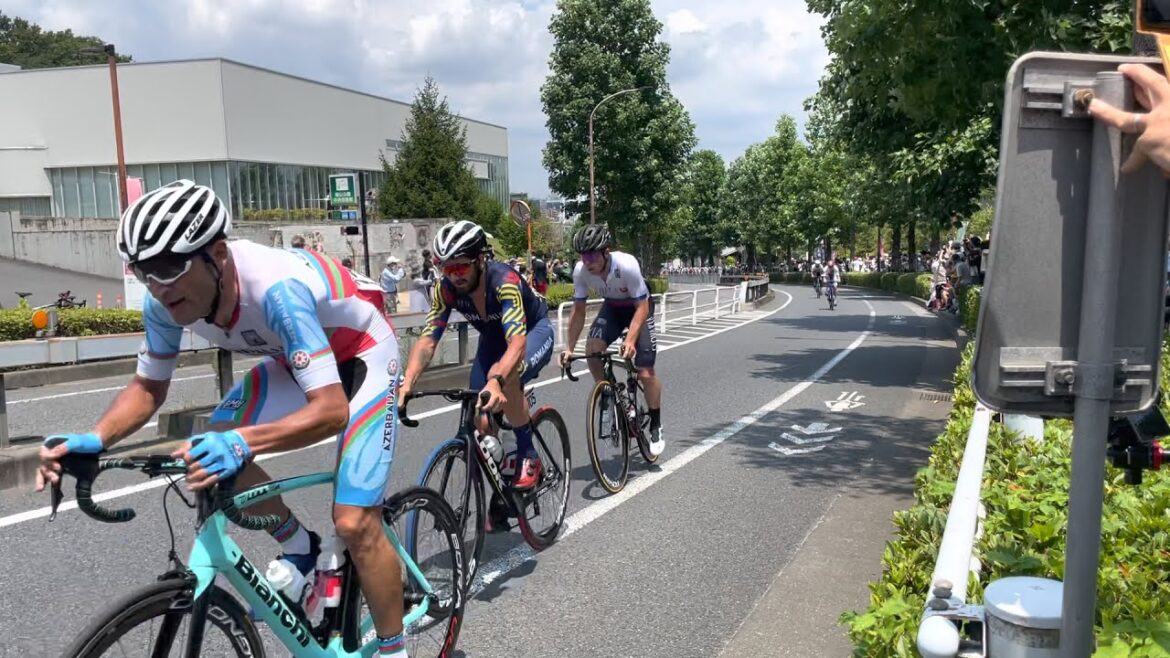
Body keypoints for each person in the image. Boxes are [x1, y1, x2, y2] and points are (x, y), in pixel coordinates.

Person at [35, 180, 411, 657]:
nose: (157, 286)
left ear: (218, 254)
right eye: (143, 270)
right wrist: (96, 437)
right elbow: (149, 388)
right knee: (209, 446)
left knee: (355, 521)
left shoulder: (277, 292)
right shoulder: (163, 304)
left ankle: (396, 648)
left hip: (363, 351)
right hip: (294, 355)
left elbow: (332, 411)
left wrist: (243, 443)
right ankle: (301, 547)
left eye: (170, 266)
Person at [399, 220, 555, 490]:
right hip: (492, 341)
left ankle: (529, 455)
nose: (453, 275)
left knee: (506, 376)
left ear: (480, 260)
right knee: (479, 419)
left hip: (532, 332)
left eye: (460, 266)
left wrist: (496, 380)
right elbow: (427, 340)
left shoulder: (504, 282)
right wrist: (408, 382)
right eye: (446, 268)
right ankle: (505, 479)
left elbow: (516, 345)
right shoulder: (445, 290)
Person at [558, 224, 665, 457]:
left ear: (606, 252)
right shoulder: (581, 271)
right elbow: (578, 311)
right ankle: (609, 393)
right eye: (583, 256)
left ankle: (656, 424)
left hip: (639, 308)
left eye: (592, 255)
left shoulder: (626, 264)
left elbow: (642, 306)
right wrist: (568, 348)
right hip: (613, 309)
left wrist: (631, 339)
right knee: (592, 351)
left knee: (645, 371)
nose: (587, 261)